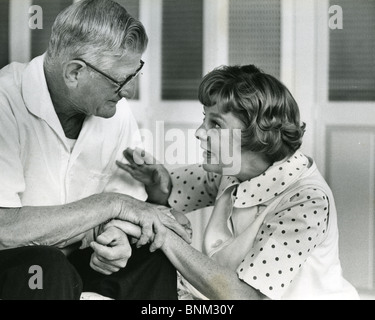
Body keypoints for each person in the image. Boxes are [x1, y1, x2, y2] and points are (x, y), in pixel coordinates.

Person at [0, 0, 191, 300]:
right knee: (45, 267)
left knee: (156, 259)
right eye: (121, 80)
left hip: (73, 258)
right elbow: (5, 229)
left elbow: (129, 203)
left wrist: (116, 235)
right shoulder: (4, 101)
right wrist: (110, 205)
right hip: (16, 263)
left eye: (135, 73)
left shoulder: (115, 112)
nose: (130, 92)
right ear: (75, 72)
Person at [117, 64, 360, 300]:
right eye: (205, 119)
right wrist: (156, 183)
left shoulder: (307, 200)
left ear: (257, 133)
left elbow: (246, 296)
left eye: (215, 124)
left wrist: (166, 236)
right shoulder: (233, 170)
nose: (199, 132)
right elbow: (169, 194)